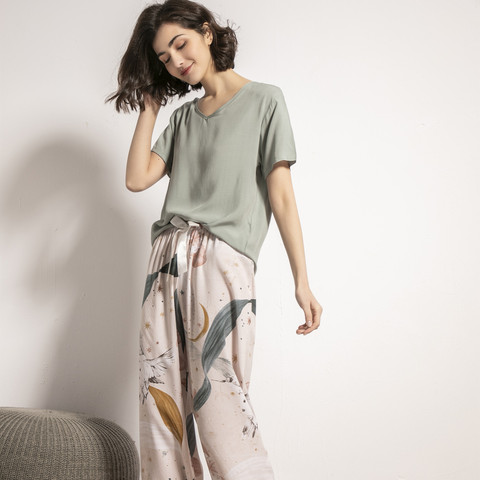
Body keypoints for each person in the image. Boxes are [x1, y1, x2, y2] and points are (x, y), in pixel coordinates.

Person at [106, 1, 322, 478]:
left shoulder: (265, 100)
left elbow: (282, 197)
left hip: (222, 261)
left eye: (180, 44)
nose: (176, 61)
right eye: (164, 58)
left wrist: (301, 281)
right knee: (159, 394)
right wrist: (150, 108)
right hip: (166, 262)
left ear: (206, 32)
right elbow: (137, 178)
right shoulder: (183, 120)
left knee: (221, 396)